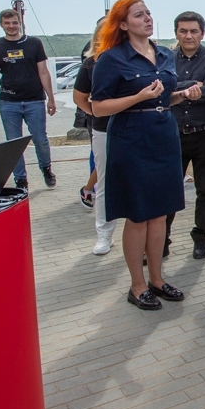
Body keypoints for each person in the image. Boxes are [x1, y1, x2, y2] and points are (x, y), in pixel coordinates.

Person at [91, 0, 189, 311]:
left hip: (163, 136)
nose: (147, 18)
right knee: (138, 215)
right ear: (122, 24)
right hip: (131, 139)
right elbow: (98, 107)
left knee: (160, 213)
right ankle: (137, 285)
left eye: (148, 12)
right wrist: (137, 97)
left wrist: (182, 95)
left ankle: (157, 279)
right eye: (138, 15)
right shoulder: (111, 59)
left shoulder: (163, 54)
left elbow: (163, 98)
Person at [163, 11, 205, 260]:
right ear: (176, 33)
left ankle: (201, 238)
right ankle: (162, 240)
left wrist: (178, 89)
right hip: (173, 134)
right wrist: (192, 85)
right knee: (169, 190)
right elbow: (161, 91)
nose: (188, 36)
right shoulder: (165, 58)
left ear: (202, 33)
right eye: (183, 31)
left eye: (193, 31)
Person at [0, 9, 57, 191]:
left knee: (40, 139)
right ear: (1, 24)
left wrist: (51, 98)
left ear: (20, 22)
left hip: (34, 101)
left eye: (14, 22)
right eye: (7, 23)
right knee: (13, 144)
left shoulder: (34, 43)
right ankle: (20, 180)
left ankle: (46, 168)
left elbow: (44, 72)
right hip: (9, 103)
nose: (11, 26)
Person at [72, 22, 117, 255]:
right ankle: (104, 235)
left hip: (135, 128)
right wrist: (95, 111)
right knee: (105, 182)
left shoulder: (134, 58)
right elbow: (80, 97)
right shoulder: (92, 63)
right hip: (103, 129)